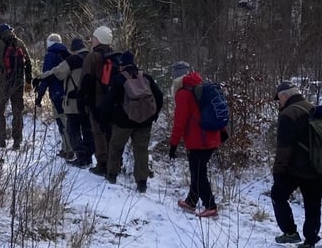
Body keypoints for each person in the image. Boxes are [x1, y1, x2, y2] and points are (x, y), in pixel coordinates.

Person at [270, 81, 322, 248]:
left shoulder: (288, 114)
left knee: (278, 195)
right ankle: (310, 243)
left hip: (295, 169)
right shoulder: (314, 109)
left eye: (279, 99)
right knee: (313, 206)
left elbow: (284, 148)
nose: (279, 102)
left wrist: (278, 171)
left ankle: (290, 232)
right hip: (318, 167)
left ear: (285, 96)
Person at [102, 51, 163, 192]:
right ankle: (141, 182)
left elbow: (108, 102)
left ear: (122, 64)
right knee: (141, 151)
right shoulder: (145, 77)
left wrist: (104, 120)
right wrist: (154, 115)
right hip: (144, 123)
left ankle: (112, 175)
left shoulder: (119, 79)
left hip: (122, 122)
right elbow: (159, 96)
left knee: (115, 148)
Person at [169, 63, 221, 217]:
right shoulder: (201, 86)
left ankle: (210, 206)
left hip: (198, 140)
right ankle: (191, 201)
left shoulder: (183, 94)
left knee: (198, 174)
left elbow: (180, 122)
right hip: (212, 136)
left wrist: (173, 144)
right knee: (197, 171)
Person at [36, 37, 94, 167]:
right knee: (88, 129)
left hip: (74, 100)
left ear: (74, 50)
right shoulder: (92, 58)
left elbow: (57, 72)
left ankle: (80, 156)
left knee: (72, 129)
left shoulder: (72, 59)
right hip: (90, 100)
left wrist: (41, 77)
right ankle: (88, 157)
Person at [0, 23, 33, 150]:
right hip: (18, 83)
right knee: (17, 112)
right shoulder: (19, 42)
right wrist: (28, 81)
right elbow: (28, 62)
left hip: (2, 83)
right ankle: (17, 141)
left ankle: (1, 139)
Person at [80, 26, 116, 175]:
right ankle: (114, 163)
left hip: (96, 100)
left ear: (99, 39)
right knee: (110, 132)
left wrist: (82, 99)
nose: (91, 41)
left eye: (93, 38)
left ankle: (102, 164)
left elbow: (86, 79)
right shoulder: (113, 55)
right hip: (113, 99)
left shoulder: (92, 56)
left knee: (98, 132)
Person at [34, 33, 71, 158]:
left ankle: (68, 150)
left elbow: (46, 77)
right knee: (66, 120)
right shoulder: (67, 54)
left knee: (61, 122)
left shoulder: (50, 56)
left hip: (56, 93)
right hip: (68, 93)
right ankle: (67, 149)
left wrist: (39, 96)